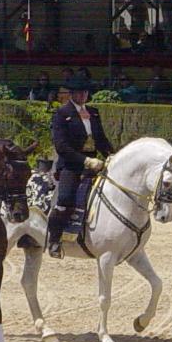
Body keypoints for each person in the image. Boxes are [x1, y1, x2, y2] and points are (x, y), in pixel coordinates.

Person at [46, 78, 114, 259]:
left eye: (85, 92)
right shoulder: (62, 114)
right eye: (79, 92)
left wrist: (111, 155)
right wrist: (85, 161)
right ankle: (54, 239)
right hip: (71, 165)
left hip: (94, 163)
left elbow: (101, 139)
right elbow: (61, 146)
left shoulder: (93, 112)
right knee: (65, 199)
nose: (83, 95)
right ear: (72, 94)